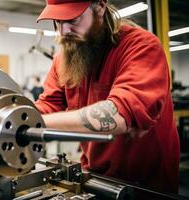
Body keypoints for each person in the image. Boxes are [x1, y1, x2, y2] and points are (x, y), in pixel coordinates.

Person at [35, 0, 180, 193]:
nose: (63, 31)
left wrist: (37, 122)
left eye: (72, 19)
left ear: (100, 6)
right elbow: (48, 105)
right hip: (94, 175)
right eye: (57, 22)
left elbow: (118, 116)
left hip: (145, 184)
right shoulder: (64, 60)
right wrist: (10, 115)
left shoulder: (141, 46)